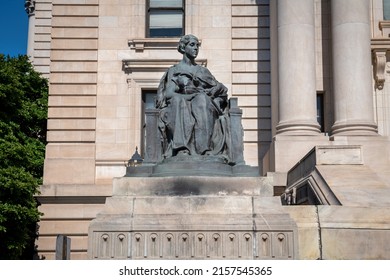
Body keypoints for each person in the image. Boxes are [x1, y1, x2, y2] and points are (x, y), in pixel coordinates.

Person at [156, 34, 230, 160]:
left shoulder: (203, 71)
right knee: (178, 101)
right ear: (183, 48)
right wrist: (189, 96)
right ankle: (181, 148)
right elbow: (169, 94)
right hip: (182, 99)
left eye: (197, 45)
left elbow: (220, 88)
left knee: (201, 100)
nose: (196, 48)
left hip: (203, 100)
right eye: (192, 45)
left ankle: (204, 148)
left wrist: (213, 93)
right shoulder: (175, 70)